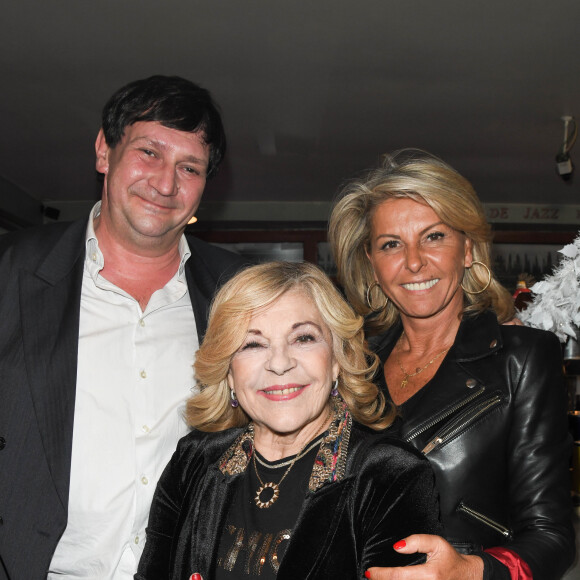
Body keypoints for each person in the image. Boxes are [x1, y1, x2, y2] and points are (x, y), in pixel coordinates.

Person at [0, 75, 244, 580]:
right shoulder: (12, 276)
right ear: (104, 151)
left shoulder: (239, 293)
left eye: (189, 167)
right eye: (149, 153)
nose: (165, 183)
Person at [328, 149, 575, 580]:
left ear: (467, 249)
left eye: (434, 236)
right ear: (372, 263)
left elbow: (552, 538)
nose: (414, 262)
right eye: (391, 244)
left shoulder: (522, 357)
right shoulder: (351, 364)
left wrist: (470, 571)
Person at [135, 261, 442, 579]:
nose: (279, 364)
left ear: (336, 360)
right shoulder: (194, 460)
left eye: (303, 338)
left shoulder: (388, 475)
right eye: (253, 344)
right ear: (228, 372)